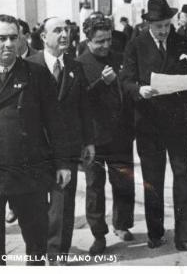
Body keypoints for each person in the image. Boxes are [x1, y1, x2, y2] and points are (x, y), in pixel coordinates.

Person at [0, 14, 72, 265]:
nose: (8, 44)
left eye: (13, 38)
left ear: (21, 40)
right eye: (1, 38)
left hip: (30, 170)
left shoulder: (37, 74)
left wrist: (62, 163)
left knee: (36, 243)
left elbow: (56, 124)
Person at [120, 0, 187, 254]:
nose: (164, 31)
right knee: (153, 181)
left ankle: (185, 236)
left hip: (178, 124)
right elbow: (126, 81)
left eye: (167, 25)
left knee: (182, 177)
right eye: (159, 27)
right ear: (148, 25)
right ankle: (155, 232)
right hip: (149, 124)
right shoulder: (135, 45)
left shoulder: (183, 42)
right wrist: (139, 90)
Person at [27, 17, 96, 264]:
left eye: (66, 29)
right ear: (44, 37)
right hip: (36, 145)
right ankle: (38, 248)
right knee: (36, 202)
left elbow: (84, 108)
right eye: (57, 30)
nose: (64, 34)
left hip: (66, 145)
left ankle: (57, 254)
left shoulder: (75, 66)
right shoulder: (28, 65)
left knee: (63, 201)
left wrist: (88, 141)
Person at [77, 17, 136, 255]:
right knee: (95, 187)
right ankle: (98, 234)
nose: (105, 45)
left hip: (121, 134)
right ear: (88, 40)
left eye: (108, 40)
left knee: (123, 182)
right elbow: (79, 102)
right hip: (94, 138)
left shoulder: (119, 59)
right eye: (99, 41)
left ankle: (121, 224)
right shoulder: (79, 64)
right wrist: (103, 83)